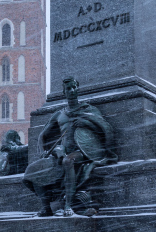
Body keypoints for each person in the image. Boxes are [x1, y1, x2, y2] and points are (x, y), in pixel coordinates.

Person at [24, 77, 117, 216]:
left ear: (78, 89)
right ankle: (46, 206)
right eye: (69, 88)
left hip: (82, 151)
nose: (72, 90)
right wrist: (43, 151)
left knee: (68, 161)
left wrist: (87, 124)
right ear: (64, 92)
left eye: (74, 87)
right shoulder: (59, 114)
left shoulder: (89, 109)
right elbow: (42, 135)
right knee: (32, 171)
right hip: (61, 152)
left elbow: (104, 129)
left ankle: (69, 204)